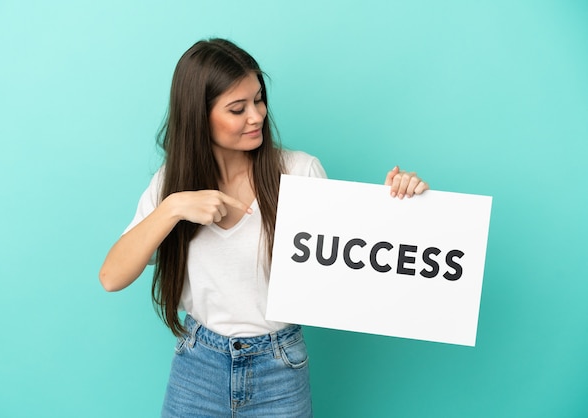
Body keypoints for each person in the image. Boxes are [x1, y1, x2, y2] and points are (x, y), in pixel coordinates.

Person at [99, 38, 429, 417]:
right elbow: (112, 276)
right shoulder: (169, 186)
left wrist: (405, 204)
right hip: (197, 366)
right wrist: (172, 208)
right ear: (198, 116)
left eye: (258, 99)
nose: (256, 116)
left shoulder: (299, 172)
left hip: (280, 367)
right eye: (237, 108)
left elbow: (356, 262)